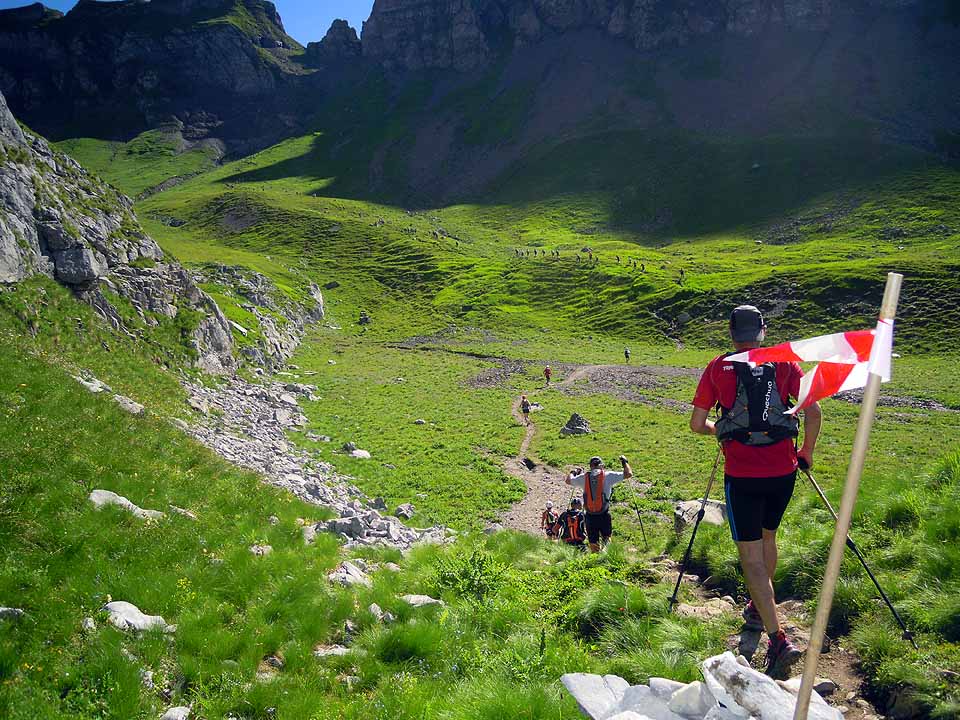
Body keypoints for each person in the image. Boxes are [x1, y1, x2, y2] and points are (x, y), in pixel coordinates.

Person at [689, 304, 822, 677]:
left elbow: (697, 424)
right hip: (783, 471)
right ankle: (756, 606)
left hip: (742, 475)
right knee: (769, 537)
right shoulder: (786, 363)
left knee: (750, 557)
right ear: (762, 331)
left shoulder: (718, 368)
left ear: (731, 333)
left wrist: (725, 430)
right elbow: (812, 412)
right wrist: (806, 452)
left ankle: (778, 638)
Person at [566, 455, 633, 552]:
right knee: (606, 539)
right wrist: (625, 462)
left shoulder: (583, 477)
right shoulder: (608, 475)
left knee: (593, 543)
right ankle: (606, 558)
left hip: (589, 515)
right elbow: (628, 474)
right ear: (601, 465)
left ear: (590, 466)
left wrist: (574, 472)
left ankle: (596, 559)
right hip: (604, 514)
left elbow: (568, 481)